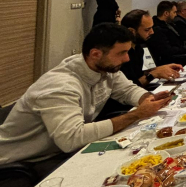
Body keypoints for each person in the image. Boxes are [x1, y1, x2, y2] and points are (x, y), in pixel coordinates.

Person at [0, 24, 172, 174]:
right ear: (95, 54)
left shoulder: (104, 68)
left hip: (59, 151)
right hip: (27, 162)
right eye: (122, 53)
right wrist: (136, 114)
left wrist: (149, 99)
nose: (127, 58)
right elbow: (71, 139)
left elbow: (127, 90)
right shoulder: (60, 87)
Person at [120, 9, 183, 88]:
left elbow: (138, 74)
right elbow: (129, 87)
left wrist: (161, 69)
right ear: (132, 31)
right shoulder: (122, 54)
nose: (152, 32)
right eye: (147, 29)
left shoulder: (138, 47)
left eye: (151, 28)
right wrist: (154, 74)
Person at [149, 1, 186, 65]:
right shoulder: (157, 29)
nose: (176, 15)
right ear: (166, 13)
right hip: (172, 61)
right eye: (174, 12)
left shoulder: (169, 24)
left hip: (180, 55)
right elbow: (168, 50)